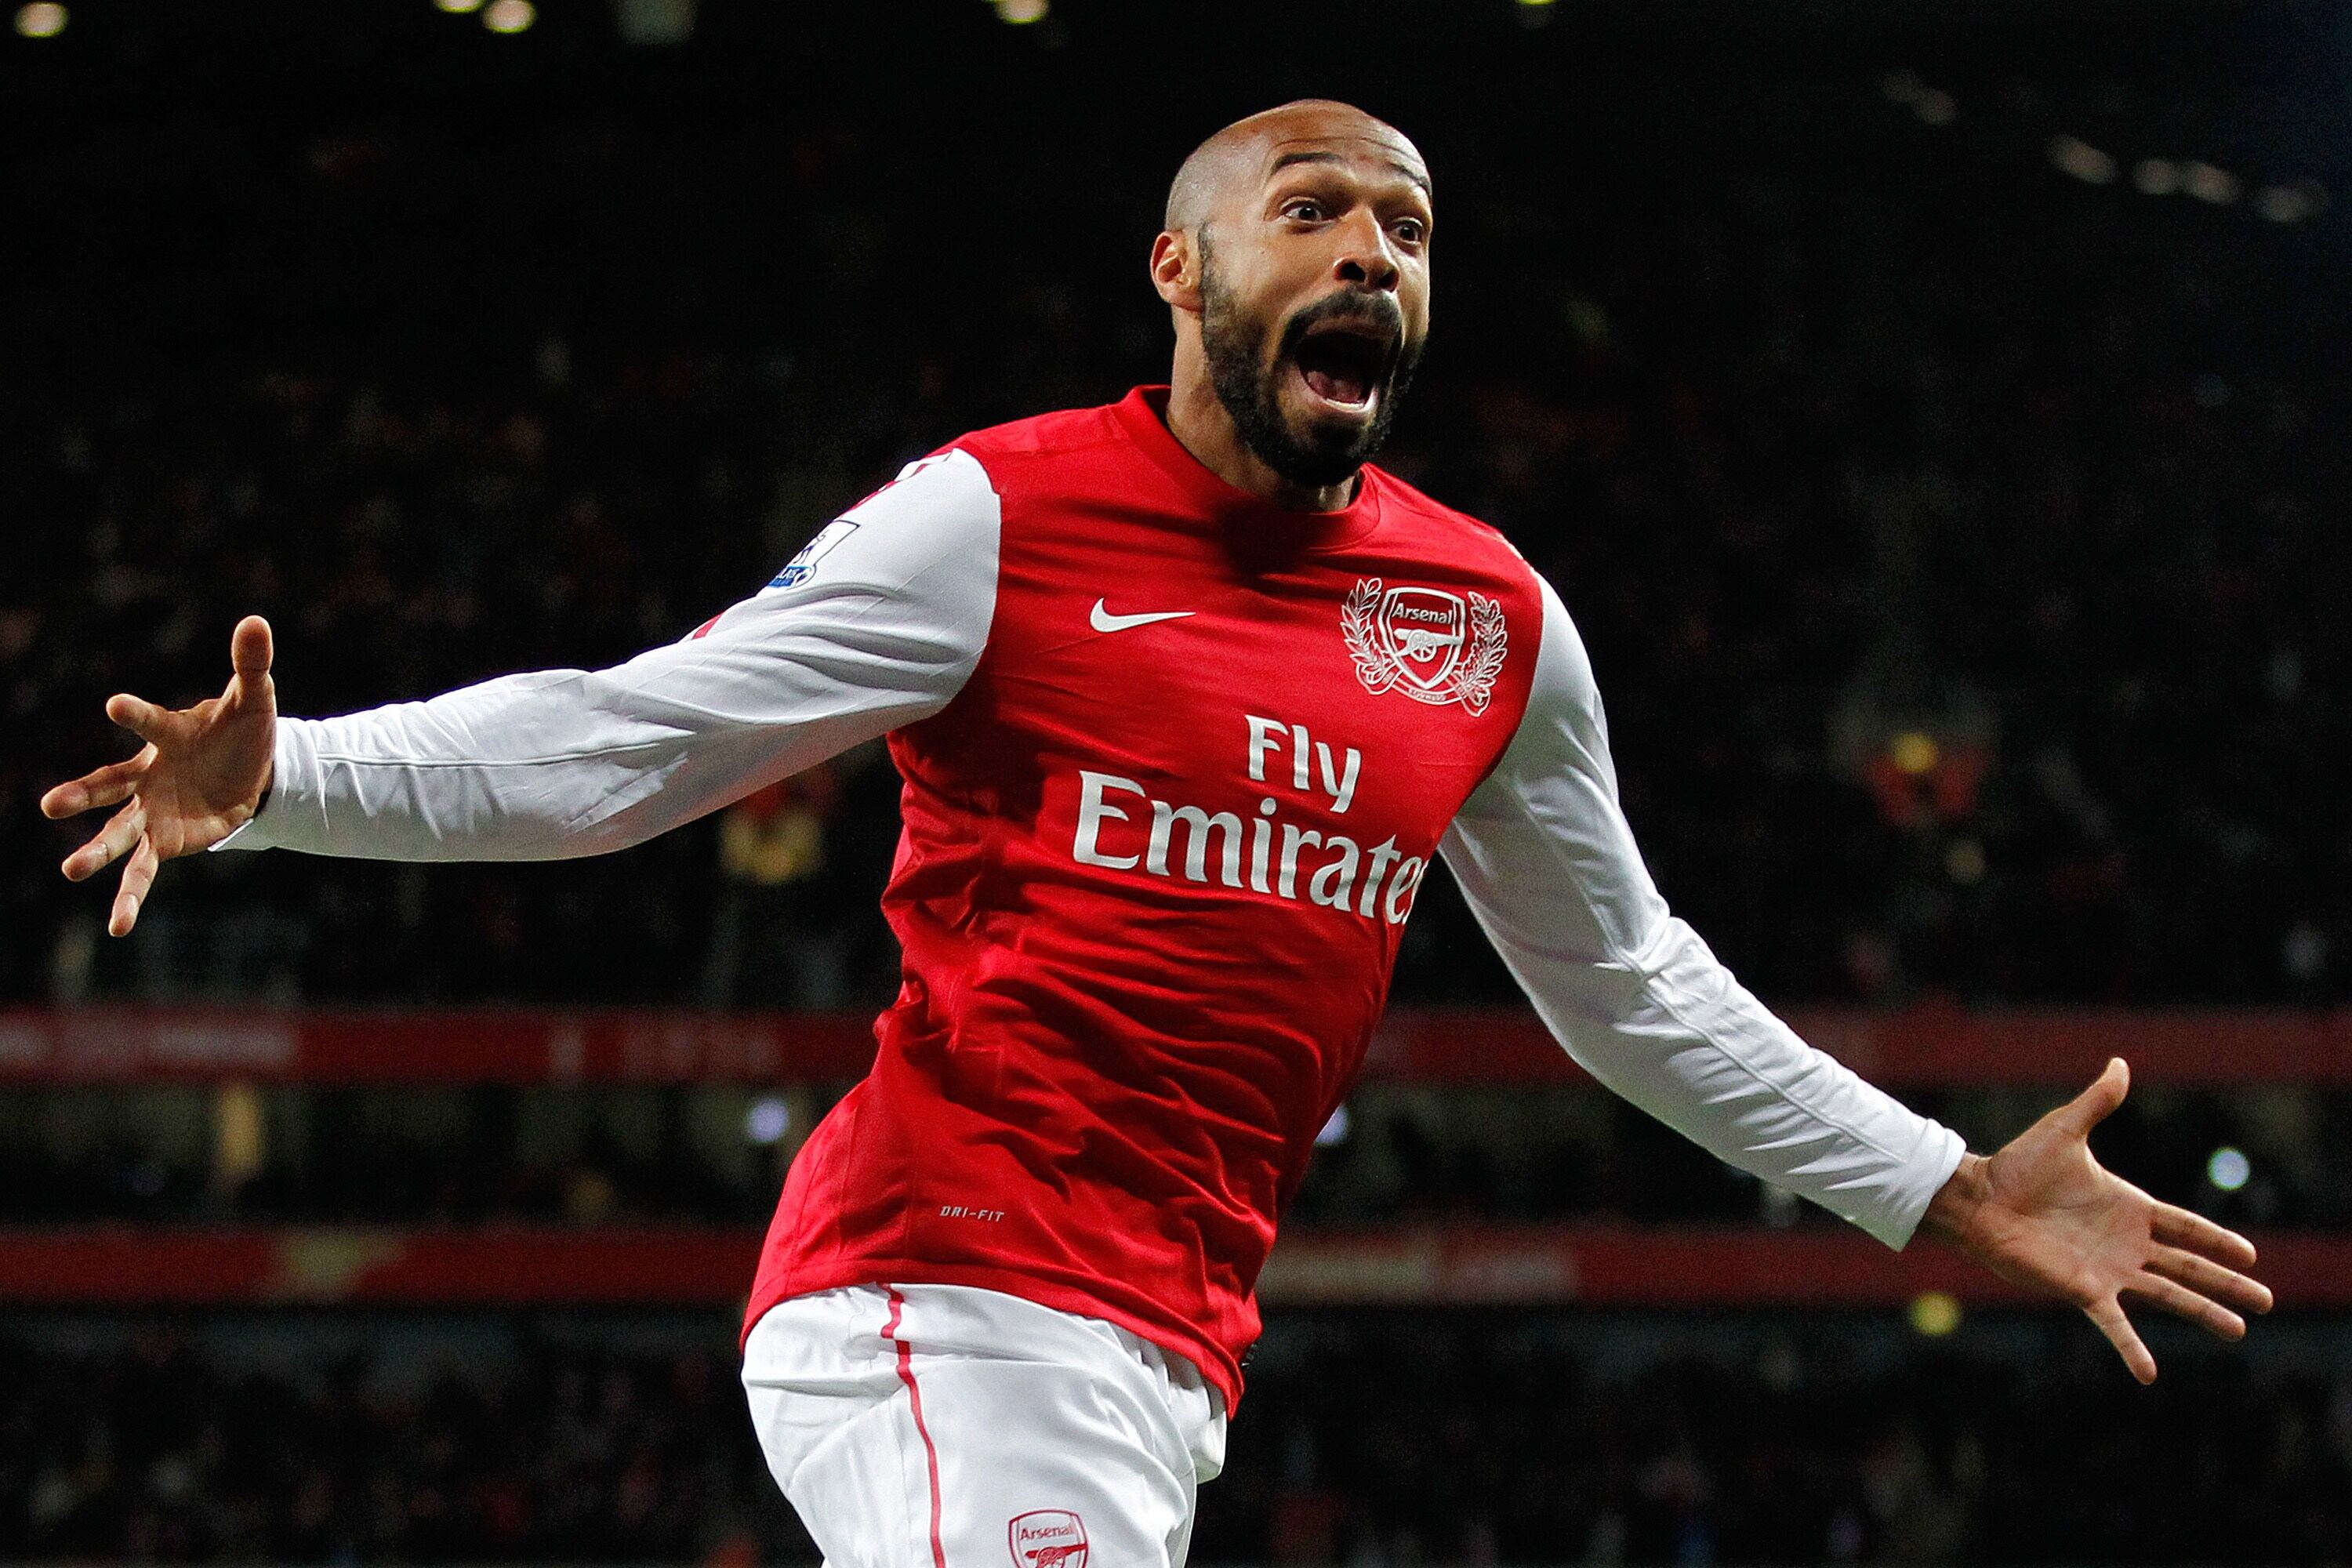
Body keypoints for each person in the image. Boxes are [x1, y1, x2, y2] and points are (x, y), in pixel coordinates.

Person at [42, 100, 2272, 1566]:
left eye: (1409, 228)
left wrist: (1945, 1185)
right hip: (942, 1284)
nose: (1373, 251)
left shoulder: (1486, 624)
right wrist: (289, 783)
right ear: (1183, 273)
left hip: (1167, 1346)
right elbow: (634, 743)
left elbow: (1629, 985)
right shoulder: (995, 523)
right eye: (1314, 211)